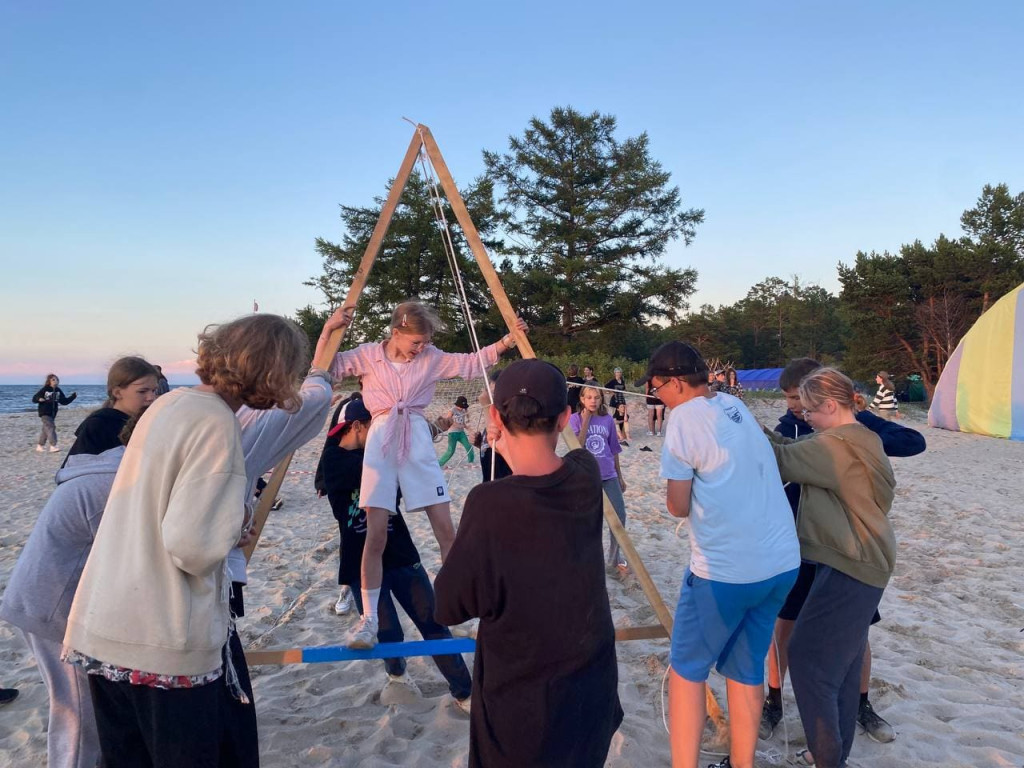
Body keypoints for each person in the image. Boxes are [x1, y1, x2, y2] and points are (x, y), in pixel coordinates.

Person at [63, 313, 309, 768]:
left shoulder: (167, 404)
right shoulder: (215, 423)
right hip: (162, 638)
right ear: (275, 372)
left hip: (104, 625)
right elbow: (193, 546)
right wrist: (237, 521)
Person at [435, 359, 623, 768]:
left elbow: (449, 605)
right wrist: (505, 445)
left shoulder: (488, 504)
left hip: (524, 713)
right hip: (591, 696)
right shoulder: (586, 474)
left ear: (495, 417)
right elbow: (561, 461)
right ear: (565, 417)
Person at [329, 300, 528, 649]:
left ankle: (459, 608)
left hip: (417, 436)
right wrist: (330, 330)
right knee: (375, 534)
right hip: (381, 438)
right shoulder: (368, 355)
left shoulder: (431, 357)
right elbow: (327, 366)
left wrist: (506, 342)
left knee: (445, 530)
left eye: (425, 342)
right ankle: (369, 619)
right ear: (396, 332)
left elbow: (470, 363)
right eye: (416, 342)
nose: (420, 348)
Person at [647, 341, 799, 768]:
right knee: (746, 668)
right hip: (781, 563)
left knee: (686, 670)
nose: (656, 395)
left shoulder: (683, 418)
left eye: (657, 387)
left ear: (676, 382)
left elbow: (677, 505)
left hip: (727, 571)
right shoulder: (733, 403)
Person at [760, 358, 924, 746]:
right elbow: (789, 447)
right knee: (812, 642)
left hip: (850, 557)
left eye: (807, 406)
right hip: (828, 551)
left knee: (819, 652)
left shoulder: (843, 442)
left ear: (830, 404)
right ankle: (806, 725)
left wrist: (734, 422)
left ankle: (836, 740)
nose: (801, 413)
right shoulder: (840, 434)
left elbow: (780, 458)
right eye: (794, 403)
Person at [1, 411, 145, 768]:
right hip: (52, 608)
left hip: (50, 598)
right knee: (77, 711)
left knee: (87, 704)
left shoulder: (106, 470)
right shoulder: (112, 483)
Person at [317, 396, 473, 711]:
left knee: (433, 623)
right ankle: (398, 675)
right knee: (388, 633)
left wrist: (432, 429)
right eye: (377, 428)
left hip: (400, 553)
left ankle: (465, 691)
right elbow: (385, 463)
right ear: (357, 426)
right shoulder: (334, 461)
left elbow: (402, 462)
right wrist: (423, 434)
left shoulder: (378, 454)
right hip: (359, 563)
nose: (383, 437)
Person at [570, 386, 628, 571]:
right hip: (586, 477)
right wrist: (586, 419)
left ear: (601, 399)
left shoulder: (608, 419)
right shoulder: (574, 419)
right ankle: (587, 558)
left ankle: (613, 559)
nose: (593, 401)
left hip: (609, 475)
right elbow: (577, 448)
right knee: (588, 520)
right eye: (589, 397)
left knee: (619, 517)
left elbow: (614, 449)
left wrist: (620, 477)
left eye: (597, 397)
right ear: (582, 399)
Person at [65, 357, 159, 461]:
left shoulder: (148, 422)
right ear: (117, 393)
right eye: (142, 391)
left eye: (154, 391)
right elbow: (76, 467)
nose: (151, 397)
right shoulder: (99, 426)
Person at [471, 369, 512, 483]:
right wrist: (481, 443)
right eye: (490, 393)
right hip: (489, 481)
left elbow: (503, 448)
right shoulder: (494, 416)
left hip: (503, 484)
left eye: (494, 394)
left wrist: (487, 407)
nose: (491, 397)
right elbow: (494, 448)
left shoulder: (510, 420)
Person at [32, 374, 77, 452]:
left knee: (46, 429)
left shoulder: (58, 390)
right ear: (49, 381)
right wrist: (39, 399)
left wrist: (73, 397)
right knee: (51, 427)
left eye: (56, 379)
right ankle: (53, 446)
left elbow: (64, 401)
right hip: (44, 412)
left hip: (53, 413)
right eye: (53, 379)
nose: (55, 381)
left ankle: (40, 446)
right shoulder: (45, 389)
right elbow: (34, 398)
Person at [439, 395, 474, 466]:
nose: (462, 408)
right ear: (457, 404)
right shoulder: (452, 410)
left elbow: (463, 423)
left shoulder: (463, 411)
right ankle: (439, 463)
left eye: (463, 407)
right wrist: (456, 425)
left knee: (469, 446)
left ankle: (471, 462)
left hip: (461, 433)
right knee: (451, 450)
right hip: (452, 433)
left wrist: (468, 428)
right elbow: (447, 420)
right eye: (461, 406)